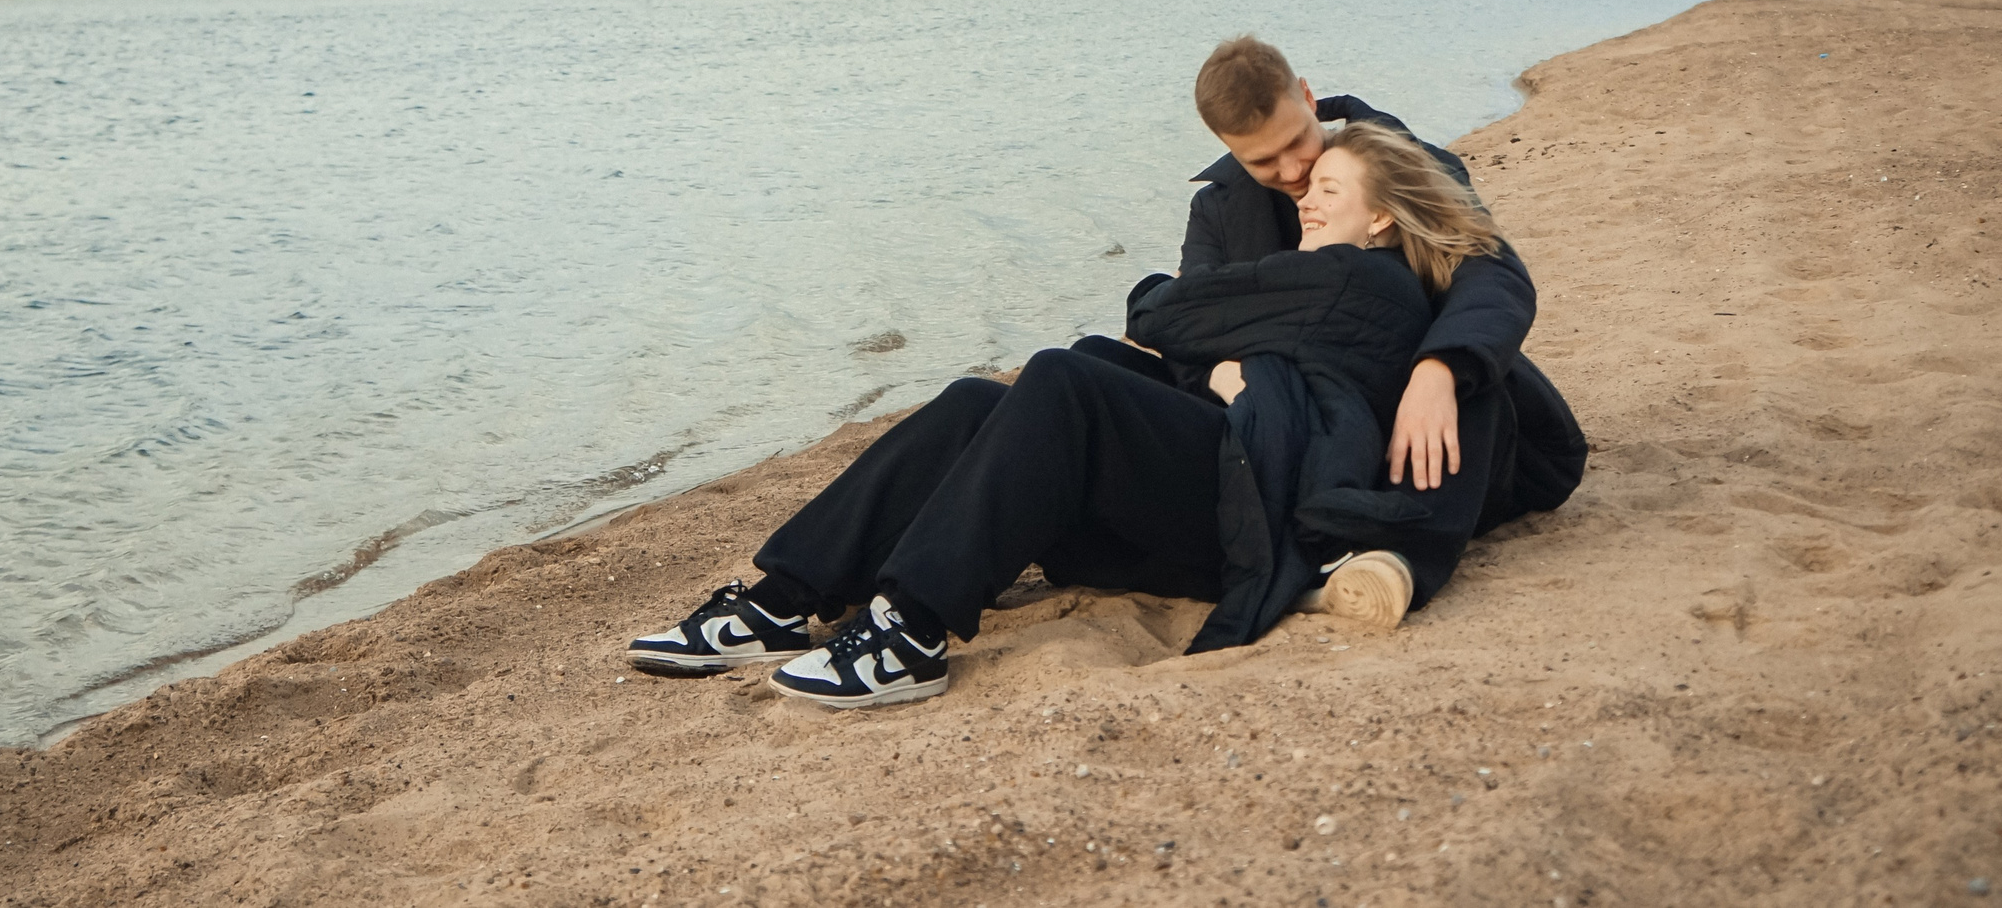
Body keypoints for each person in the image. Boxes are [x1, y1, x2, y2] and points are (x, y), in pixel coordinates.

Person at [622, 110, 1527, 708]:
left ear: (1382, 220)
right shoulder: (1348, 273)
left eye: (1328, 191)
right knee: (984, 397)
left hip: (1247, 507)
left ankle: (908, 630)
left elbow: (1163, 308)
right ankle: (785, 597)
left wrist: (1214, 340)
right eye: (1305, 187)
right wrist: (1221, 362)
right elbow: (1189, 325)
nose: (1304, 203)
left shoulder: (1355, 277)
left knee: (1063, 375)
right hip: (1231, 471)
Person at [1180, 36, 1587, 611]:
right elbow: (1189, 319)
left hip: (1452, 421)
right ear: (1227, 147)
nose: (1293, 169)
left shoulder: (1404, 161)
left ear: (1306, 95)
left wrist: (1438, 369)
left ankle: (1398, 559)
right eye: (1263, 161)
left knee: (1471, 383)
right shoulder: (1217, 211)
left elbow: (1491, 271)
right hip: (1317, 424)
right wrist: (1222, 373)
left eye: (1297, 140)